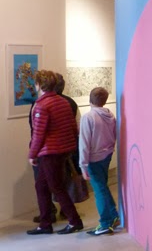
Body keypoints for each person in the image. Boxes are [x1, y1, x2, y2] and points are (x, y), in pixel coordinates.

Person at [26, 70, 83, 235]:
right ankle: (45, 223)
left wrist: (32, 154)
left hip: (50, 152)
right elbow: (73, 127)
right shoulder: (63, 102)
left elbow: (38, 134)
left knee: (57, 187)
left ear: (39, 85)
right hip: (62, 150)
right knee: (42, 186)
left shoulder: (42, 105)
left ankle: (74, 221)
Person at [79, 87, 118, 236]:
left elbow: (84, 143)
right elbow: (114, 135)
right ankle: (113, 215)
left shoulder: (88, 118)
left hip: (94, 159)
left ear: (90, 99)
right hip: (106, 156)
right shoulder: (110, 115)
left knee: (99, 190)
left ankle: (105, 223)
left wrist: (83, 165)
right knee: (103, 186)